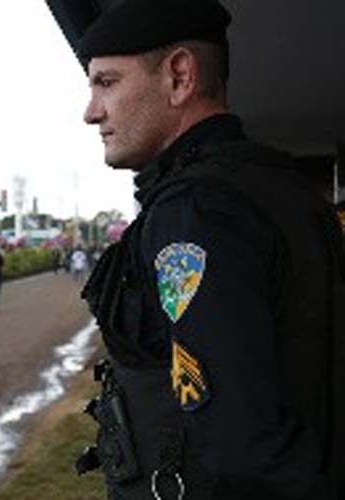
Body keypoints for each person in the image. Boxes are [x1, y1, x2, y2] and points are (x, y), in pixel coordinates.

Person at [46, 0, 345, 497]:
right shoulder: (278, 187)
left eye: (107, 83)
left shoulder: (198, 211)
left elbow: (243, 447)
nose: (91, 112)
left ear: (179, 76)